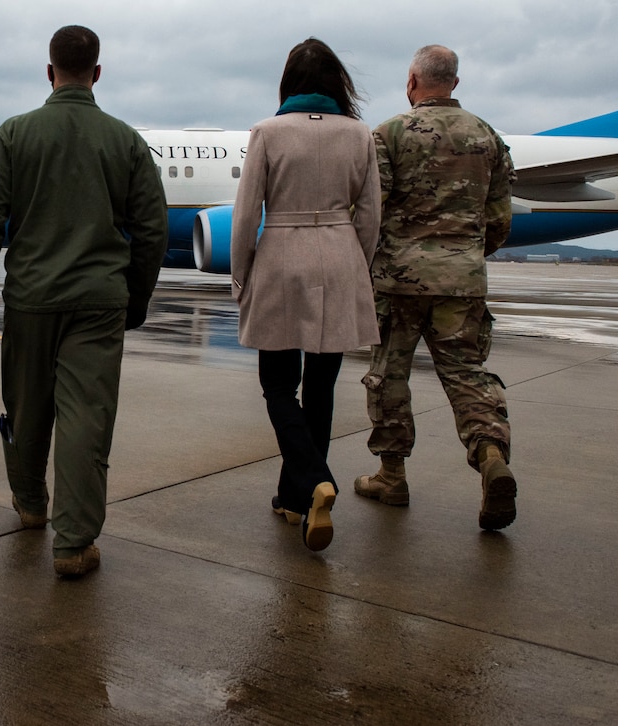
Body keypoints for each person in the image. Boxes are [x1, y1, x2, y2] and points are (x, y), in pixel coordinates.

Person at [0, 25, 168, 577]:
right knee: (86, 419)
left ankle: (31, 505)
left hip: (30, 298)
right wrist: (137, 296)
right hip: (99, 302)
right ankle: (74, 544)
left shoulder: (13, 134)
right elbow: (152, 228)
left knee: (27, 409)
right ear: (97, 72)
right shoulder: (125, 140)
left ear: (49, 71)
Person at [355, 45, 517, 530]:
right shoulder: (487, 137)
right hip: (462, 281)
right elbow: (499, 219)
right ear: (455, 84)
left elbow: (370, 209)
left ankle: (391, 475)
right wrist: (464, 258)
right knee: (467, 373)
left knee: (389, 376)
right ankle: (490, 455)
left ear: (411, 82)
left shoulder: (388, 134)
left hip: (398, 281)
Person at [230, 38, 380, 552]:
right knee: (321, 386)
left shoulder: (268, 132)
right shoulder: (359, 134)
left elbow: (247, 214)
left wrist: (240, 274)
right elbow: (371, 215)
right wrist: (352, 263)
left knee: (276, 384)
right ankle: (295, 498)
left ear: (288, 82)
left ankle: (315, 479)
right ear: (338, 81)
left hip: (281, 259)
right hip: (340, 254)